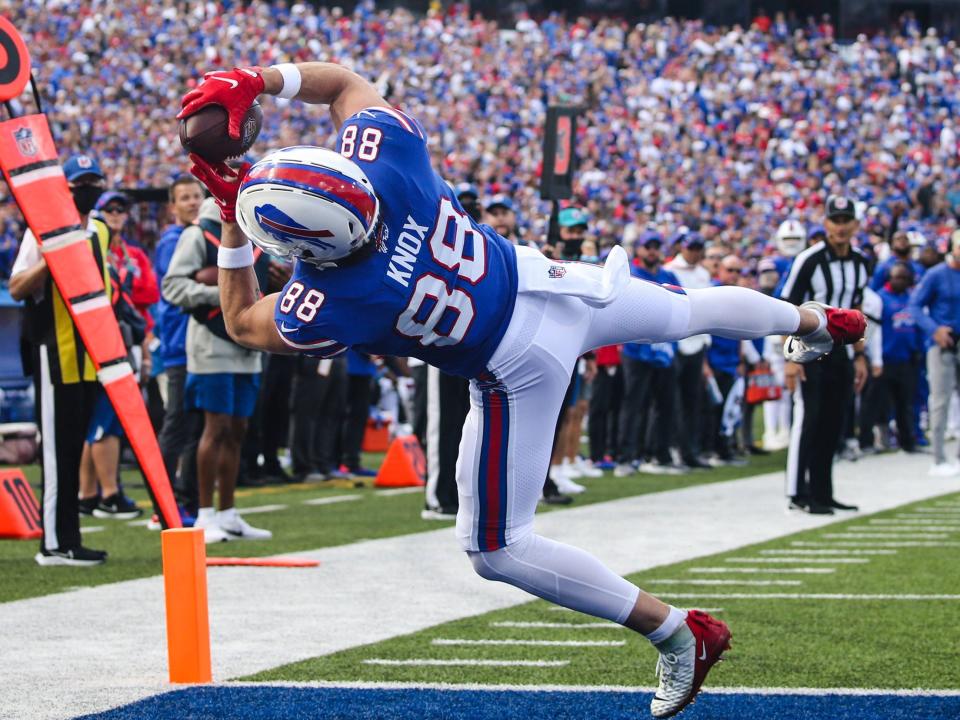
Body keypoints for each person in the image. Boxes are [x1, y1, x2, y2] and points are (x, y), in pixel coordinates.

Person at [179, 62, 864, 717]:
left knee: (495, 549)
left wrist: (232, 216)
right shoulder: (390, 162)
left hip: (517, 364)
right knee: (690, 309)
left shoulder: (342, 297)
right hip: (558, 284)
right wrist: (258, 81)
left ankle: (679, 632)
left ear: (313, 252)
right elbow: (346, 85)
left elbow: (241, 320)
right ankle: (821, 321)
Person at [9, 154, 112, 566]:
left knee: (73, 450)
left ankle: (69, 537)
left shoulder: (101, 231)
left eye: (93, 181)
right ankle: (54, 543)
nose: (88, 190)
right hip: (55, 357)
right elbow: (17, 286)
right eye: (80, 183)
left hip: (92, 357)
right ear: (65, 188)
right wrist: (54, 257)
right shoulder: (42, 231)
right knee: (57, 454)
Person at [161, 197, 272, 543]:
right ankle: (204, 513)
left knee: (238, 429)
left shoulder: (258, 233)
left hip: (248, 342)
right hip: (211, 340)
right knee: (215, 426)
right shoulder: (199, 233)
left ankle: (228, 512)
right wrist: (224, 295)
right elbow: (173, 286)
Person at [781, 194, 870, 514]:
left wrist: (860, 356)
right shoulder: (810, 259)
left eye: (847, 221)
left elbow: (856, 313)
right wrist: (791, 359)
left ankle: (823, 491)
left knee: (833, 421)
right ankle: (797, 493)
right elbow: (787, 307)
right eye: (836, 220)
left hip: (841, 351)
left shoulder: (861, 262)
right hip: (808, 350)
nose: (841, 227)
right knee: (808, 419)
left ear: (856, 224)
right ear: (826, 223)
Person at [154, 175, 204, 518]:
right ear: (173, 207)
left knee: (195, 426)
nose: (192, 202)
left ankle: (187, 499)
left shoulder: (196, 235)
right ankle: (164, 502)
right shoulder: (173, 240)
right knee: (177, 424)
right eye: (184, 198)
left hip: (197, 343)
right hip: (177, 344)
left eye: (196, 195)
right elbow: (181, 286)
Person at [908, 230, 960, 476]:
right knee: (940, 400)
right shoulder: (936, 274)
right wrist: (934, 330)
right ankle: (938, 458)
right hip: (942, 343)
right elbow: (915, 306)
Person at [664, 230, 713, 468]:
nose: (694, 253)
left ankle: (689, 449)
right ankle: (673, 448)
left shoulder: (703, 273)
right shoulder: (670, 270)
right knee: (671, 401)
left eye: (697, 248)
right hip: (677, 341)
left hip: (696, 341)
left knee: (692, 400)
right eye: (690, 248)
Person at [874, 263, 923, 452]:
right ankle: (879, 440)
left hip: (907, 358)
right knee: (881, 402)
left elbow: (917, 326)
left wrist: (917, 349)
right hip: (886, 358)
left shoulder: (912, 298)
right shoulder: (880, 298)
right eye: (897, 277)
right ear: (889, 278)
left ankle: (908, 442)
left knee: (906, 403)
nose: (900, 281)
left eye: (904, 277)